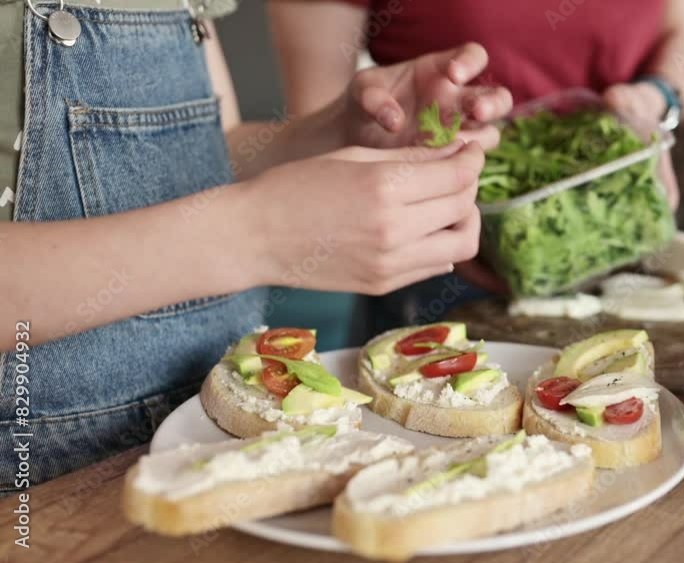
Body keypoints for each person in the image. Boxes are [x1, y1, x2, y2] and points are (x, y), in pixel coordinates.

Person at [0, 0, 511, 490]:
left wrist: (341, 137)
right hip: (40, 487)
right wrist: (254, 233)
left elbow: (207, 153)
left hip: (211, 442)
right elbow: (233, 220)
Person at [267, 0, 684, 330]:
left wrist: (654, 100)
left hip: (629, 227)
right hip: (441, 259)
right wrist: (418, 168)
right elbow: (321, 128)